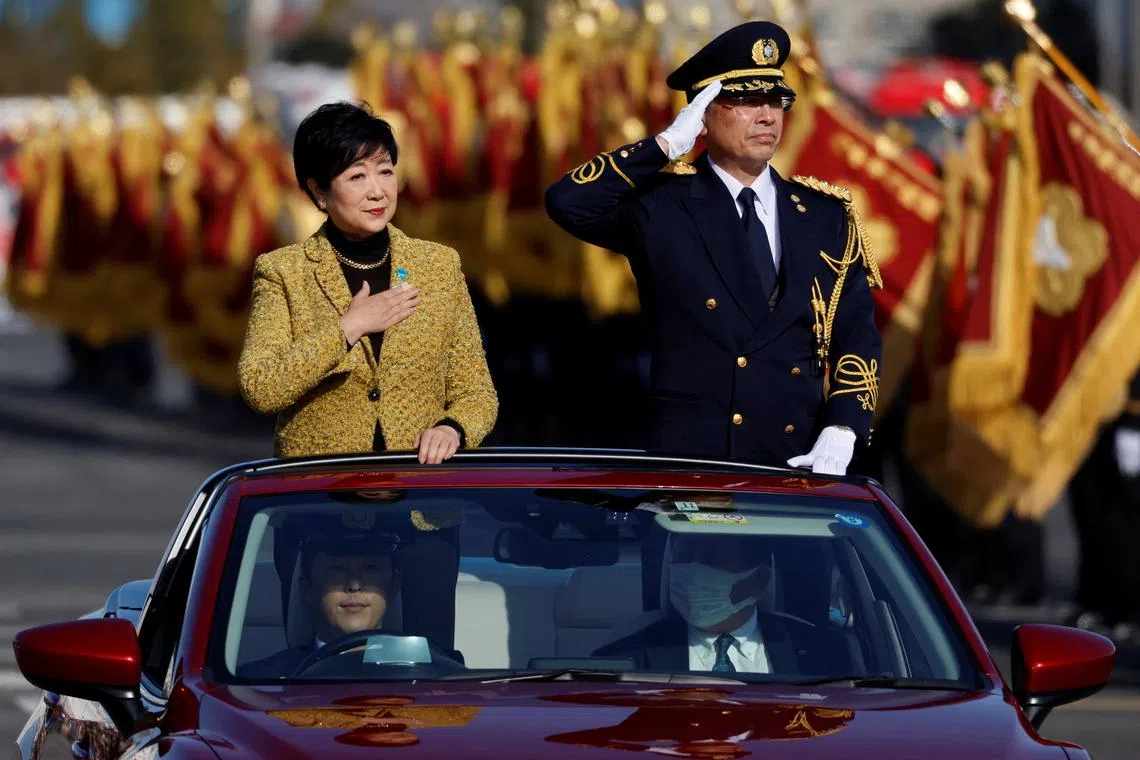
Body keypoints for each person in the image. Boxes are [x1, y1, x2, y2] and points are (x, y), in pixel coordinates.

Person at [545, 21, 882, 476]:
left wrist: (843, 427)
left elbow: (857, 334)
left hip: (799, 465)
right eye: (745, 101)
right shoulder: (663, 205)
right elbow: (568, 202)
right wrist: (666, 145)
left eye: (776, 101)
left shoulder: (824, 215)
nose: (767, 116)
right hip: (694, 467)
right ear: (703, 111)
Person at [239, 102, 498, 651]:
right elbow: (260, 385)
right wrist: (348, 328)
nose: (378, 189)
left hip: (422, 513)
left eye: (386, 170)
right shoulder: (282, 271)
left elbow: (477, 389)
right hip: (318, 511)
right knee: (313, 671)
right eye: (357, 176)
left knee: (430, 663)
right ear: (318, 192)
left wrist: (453, 427)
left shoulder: (437, 266)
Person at [593, 533, 833, 674]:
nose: (692, 573)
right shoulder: (624, 658)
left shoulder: (822, 653)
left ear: (758, 580)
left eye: (711, 559)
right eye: (683, 558)